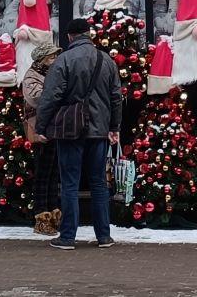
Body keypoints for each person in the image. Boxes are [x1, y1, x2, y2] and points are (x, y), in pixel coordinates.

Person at [34, 17, 121, 250]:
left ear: (70, 36)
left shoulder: (63, 60)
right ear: (89, 34)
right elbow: (116, 97)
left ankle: (67, 237)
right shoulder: (106, 60)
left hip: (70, 130)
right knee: (99, 183)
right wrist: (114, 127)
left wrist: (41, 127)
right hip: (99, 130)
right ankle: (104, 236)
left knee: (70, 184)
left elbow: (51, 96)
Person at [19, 34, 62, 237]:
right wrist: (57, 94)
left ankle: (53, 214)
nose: (55, 59)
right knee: (43, 174)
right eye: (52, 56)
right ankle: (41, 216)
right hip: (40, 130)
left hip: (53, 129)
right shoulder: (32, 76)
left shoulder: (53, 75)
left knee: (53, 174)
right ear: (42, 59)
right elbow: (36, 98)